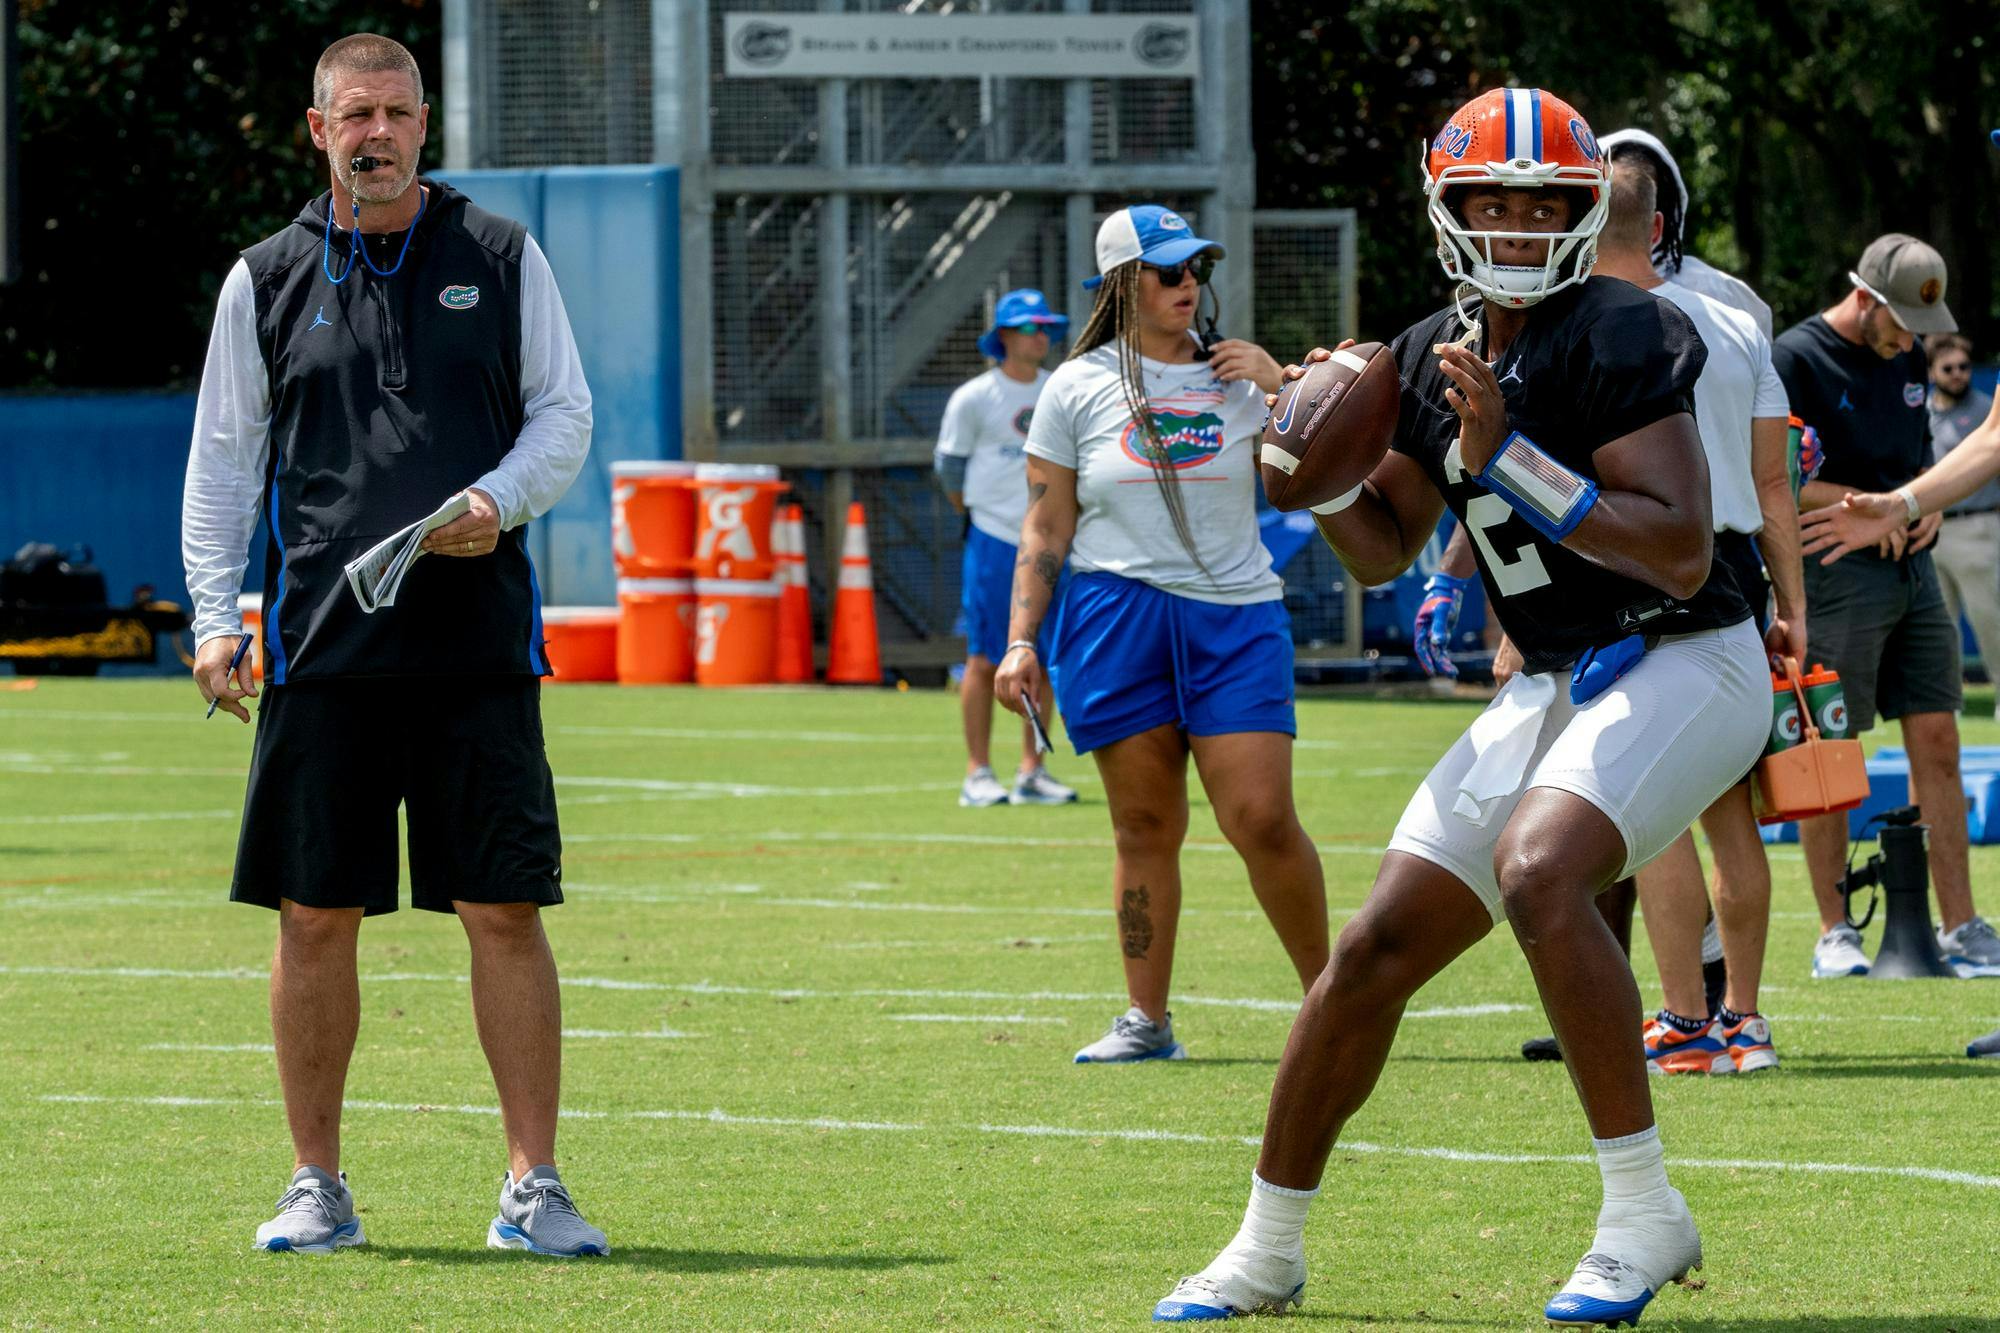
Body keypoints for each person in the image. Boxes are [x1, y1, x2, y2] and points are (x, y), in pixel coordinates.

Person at [1153, 89, 1767, 1327]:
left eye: (1543, 200)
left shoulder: (1625, 329)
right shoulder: (1424, 348)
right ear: (1447, 206)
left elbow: (1681, 549)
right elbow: (1383, 546)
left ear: (1582, 209)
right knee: (1371, 948)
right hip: (1553, 675)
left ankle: (1641, 1214)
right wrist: (1308, 472)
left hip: (1689, 652)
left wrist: (1512, 462)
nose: (1517, 220)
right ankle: (1267, 1245)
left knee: (1540, 870)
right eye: (1492, 197)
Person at [182, 34, 607, 1256]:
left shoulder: (501, 255)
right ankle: (316, 1184)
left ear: (429, 123)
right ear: (315, 129)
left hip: (477, 645)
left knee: (505, 910)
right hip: (322, 650)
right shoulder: (260, 278)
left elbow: (564, 418)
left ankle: (533, 1186)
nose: (376, 133)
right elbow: (223, 464)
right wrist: (217, 617)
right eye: (353, 114)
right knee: (313, 915)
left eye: (397, 113)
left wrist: (498, 502)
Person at [992, 204, 1329, 1063]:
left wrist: (1285, 386)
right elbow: (1045, 524)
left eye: (1196, 270)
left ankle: (1335, 999)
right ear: (1120, 283)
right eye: (1169, 271)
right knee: (1143, 826)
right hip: (1115, 615)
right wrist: (1020, 641)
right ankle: (1148, 1020)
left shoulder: (1241, 378)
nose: (1190, 285)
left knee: (1260, 817)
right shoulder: (1074, 387)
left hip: (1237, 616)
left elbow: (1320, 465)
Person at [1590, 146, 1804, 1076]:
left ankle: (1683, 1020)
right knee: (1731, 813)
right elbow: (1774, 483)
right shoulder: (1737, 318)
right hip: (1738, 567)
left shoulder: (1591, 326)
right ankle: (1745, 1022)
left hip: (1639, 568)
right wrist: (1795, 605)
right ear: (1663, 225)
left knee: (1658, 812)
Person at [1772, 235, 2000, 980]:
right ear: (1864, 297)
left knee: (1938, 735)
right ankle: (1835, 930)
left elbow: (1922, 461)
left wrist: (1921, 505)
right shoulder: (1794, 359)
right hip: (1834, 570)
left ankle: (1962, 924)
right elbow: (1768, 477)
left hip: (1912, 569)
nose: (1912, 342)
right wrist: (1875, 508)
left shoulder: (1906, 351)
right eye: (1900, 321)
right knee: (1830, 752)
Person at [935, 288, 1078, 808]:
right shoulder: (974, 397)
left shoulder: (1060, 389)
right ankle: (977, 772)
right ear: (1004, 337)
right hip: (994, 538)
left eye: (1046, 326)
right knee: (982, 656)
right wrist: (976, 513)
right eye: (1030, 326)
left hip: (1053, 541)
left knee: (1045, 656)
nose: (1041, 335)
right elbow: (949, 469)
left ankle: (1032, 770)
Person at [1596, 128, 1773, 338]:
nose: (1624, 200)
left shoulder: (1719, 292)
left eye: (1641, 193)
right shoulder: (1561, 287)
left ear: (1659, 220)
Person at [1922, 334, 2000, 704]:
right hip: (1930, 533)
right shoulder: (1921, 413)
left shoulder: (1988, 411)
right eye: (1948, 368)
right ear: (1932, 372)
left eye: (1964, 367)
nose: (1957, 374)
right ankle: (1943, 712)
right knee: (1938, 634)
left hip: (1978, 529)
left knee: (1993, 625)